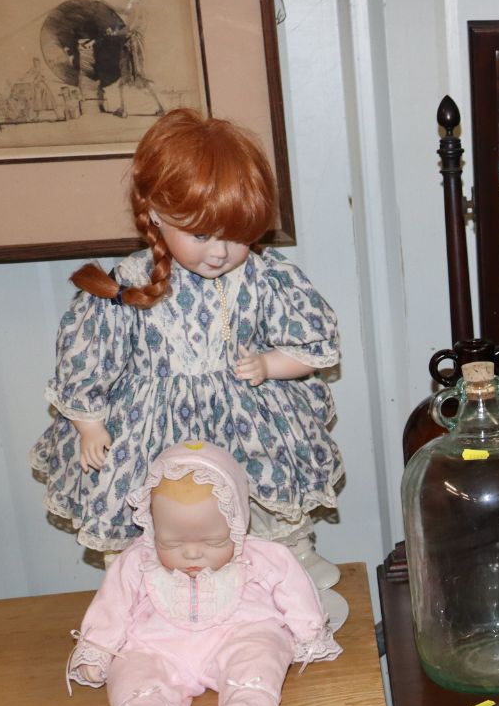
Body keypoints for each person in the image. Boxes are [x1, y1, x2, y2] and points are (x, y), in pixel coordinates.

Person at [32, 109, 345, 620]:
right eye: (201, 235)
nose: (220, 253)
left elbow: (310, 343)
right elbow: (89, 358)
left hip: (246, 414)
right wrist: (88, 422)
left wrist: (271, 363)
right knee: (154, 506)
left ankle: (286, 564)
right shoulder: (127, 284)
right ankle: (144, 589)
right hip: (152, 426)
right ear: (154, 212)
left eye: (236, 236)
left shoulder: (265, 278)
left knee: (263, 484)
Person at [66, 442, 339, 706]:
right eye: (171, 542)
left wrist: (308, 632)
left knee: (261, 649)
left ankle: (249, 698)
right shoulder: (137, 562)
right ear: (153, 528)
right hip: (157, 645)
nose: (193, 552)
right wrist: (99, 649)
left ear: (236, 523)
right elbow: (111, 606)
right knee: (132, 666)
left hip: (239, 634)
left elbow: (294, 588)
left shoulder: (259, 556)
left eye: (212, 540)